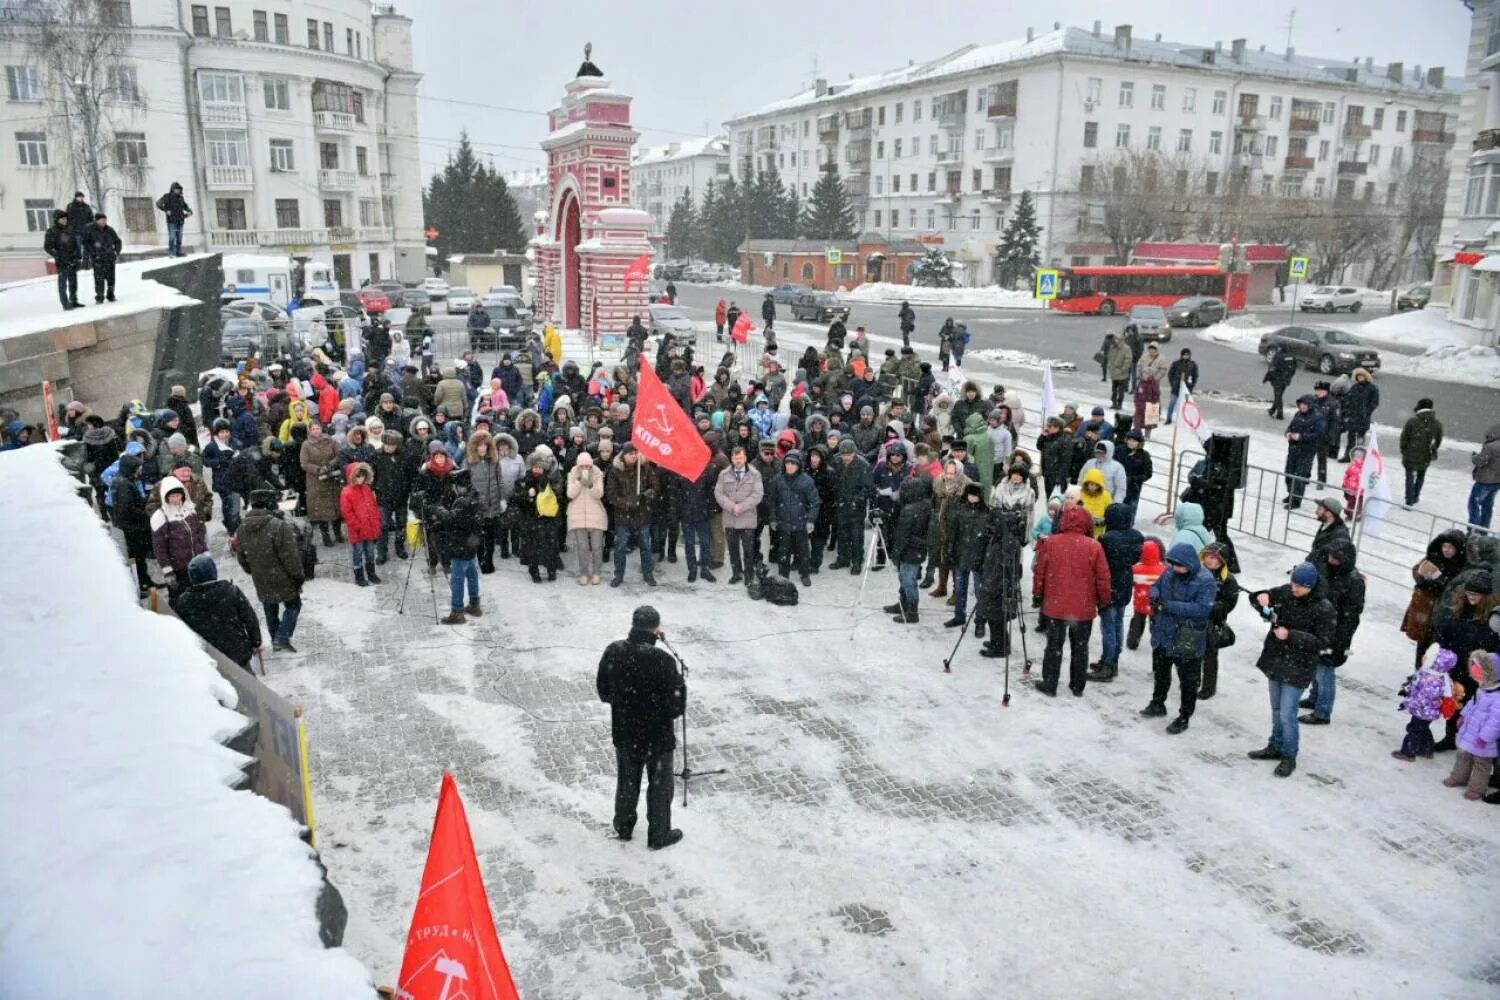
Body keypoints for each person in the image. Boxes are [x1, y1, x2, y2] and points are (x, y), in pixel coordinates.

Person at [597, 605, 685, 850]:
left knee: (627, 781)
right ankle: (659, 834)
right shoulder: (664, 661)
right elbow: (677, 707)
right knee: (660, 785)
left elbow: (604, 693)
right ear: (656, 630)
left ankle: (623, 826)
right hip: (657, 737)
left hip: (626, 732)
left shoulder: (614, 652)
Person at [1246, 563, 1335, 778]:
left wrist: (1291, 635)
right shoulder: (1286, 593)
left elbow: (1323, 642)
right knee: (1276, 709)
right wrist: (1262, 599)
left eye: (1300, 586)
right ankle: (1274, 745)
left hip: (1299, 666)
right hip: (1276, 660)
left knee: (1288, 713)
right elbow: (1257, 598)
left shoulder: (1324, 608)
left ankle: (1289, 755)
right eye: (1293, 583)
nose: (1294, 589)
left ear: (1311, 586)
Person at [1032, 505, 1112, 697]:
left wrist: (1038, 594)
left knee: (1053, 646)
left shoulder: (1051, 543)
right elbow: (1103, 578)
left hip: (1055, 604)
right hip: (1083, 607)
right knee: (1080, 647)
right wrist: (1104, 601)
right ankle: (1077, 685)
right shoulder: (1094, 546)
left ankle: (1050, 683)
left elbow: (1040, 572)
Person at [1140, 542, 1217, 734]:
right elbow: (1156, 586)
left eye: (1179, 565)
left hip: (1187, 636)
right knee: (1161, 671)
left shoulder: (1205, 580)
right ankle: (1158, 703)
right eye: (1173, 564)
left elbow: (1202, 609)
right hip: (1164, 633)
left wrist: (1168, 606)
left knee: (1188, 681)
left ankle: (1184, 716)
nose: (1175, 568)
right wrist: (1155, 594)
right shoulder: (1169, 572)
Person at [1299, 539, 1365, 727]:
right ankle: (1314, 698)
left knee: (1325, 671)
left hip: (1334, 635)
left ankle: (1322, 711)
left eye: (1335, 558)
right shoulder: (1328, 572)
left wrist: (1338, 639)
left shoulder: (1353, 581)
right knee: (1316, 666)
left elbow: (1351, 615)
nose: (1331, 560)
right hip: (1321, 628)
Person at [236, 489, 305, 652]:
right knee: (294, 605)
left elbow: (241, 557)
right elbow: (291, 557)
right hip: (283, 576)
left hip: (260, 577)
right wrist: (298, 576)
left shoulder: (241, 528)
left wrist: (253, 570)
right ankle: (282, 637)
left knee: (270, 609)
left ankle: (275, 639)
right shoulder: (279, 526)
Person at [170, 554, 262, 672]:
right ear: (213, 571)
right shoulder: (230, 591)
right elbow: (249, 618)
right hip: (237, 653)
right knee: (248, 687)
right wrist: (256, 641)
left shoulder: (183, 602)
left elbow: (180, 630)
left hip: (207, 659)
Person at [1090, 504, 1142, 683]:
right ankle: (1112, 660)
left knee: (1108, 627)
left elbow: (1100, 564)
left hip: (1110, 584)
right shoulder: (1136, 537)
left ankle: (1108, 664)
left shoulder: (1106, 539)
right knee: (1118, 623)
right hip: (1125, 583)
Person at [1401, 530, 1468, 668]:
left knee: (1437, 647)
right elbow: (1417, 571)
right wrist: (1423, 580)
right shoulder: (1433, 557)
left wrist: (1441, 582)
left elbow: (1457, 588)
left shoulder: (1461, 567)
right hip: (1425, 610)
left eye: (1451, 547)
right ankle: (1419, 672)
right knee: (1422, 644)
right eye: (1445, 546)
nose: (1447, 550)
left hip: (1441, 613)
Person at [1444, 651, 1500, 800]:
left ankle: (1477, 788)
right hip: (1470, 731)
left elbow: (1496, 722)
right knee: (1463, 756)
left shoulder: (1497, 698)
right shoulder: (1481, 689)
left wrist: (1484, 737)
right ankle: (1459, 777)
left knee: (1481, 764)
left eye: (1479, 672)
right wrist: (1463, 716)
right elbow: (1471, 705)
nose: (1475, 675)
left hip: (1484, 740)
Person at [429, 467, 482, 622]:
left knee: (457, 578)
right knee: (472, 573)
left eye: (454, 487)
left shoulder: (462, 502)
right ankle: (474, 604)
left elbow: (453, 519)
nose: (453, 490)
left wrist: (437, 510)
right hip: (471, 544)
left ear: (459, 485)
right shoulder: (475, 496)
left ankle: (457, 612)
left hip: (461, 545)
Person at [607, 444, 658, 587]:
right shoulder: (616, 470)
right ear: (624, 454)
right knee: (620, 547)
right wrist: (627, 503)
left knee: (645, 547)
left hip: (643, 515)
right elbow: (611, 495)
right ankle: (619, 575)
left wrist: (647, 495)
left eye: (636, 453)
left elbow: (655, 487)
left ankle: (648, 573)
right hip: (623, 516)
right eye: (631, 453)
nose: (634, 456)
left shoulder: (645, 468)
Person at [1392, 646, 1454, 762]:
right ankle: (1426, 749)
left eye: (1427, 657)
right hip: (1424, 711)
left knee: (1414, 730)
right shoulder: (1429, 673)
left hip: (1424, 711)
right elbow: (1416, 683)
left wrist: (1407, 703)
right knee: (1422, 729)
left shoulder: (1435, 680)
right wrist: (1407, 689)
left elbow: (1422, 699)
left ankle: (1408, 753)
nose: (1423, 657)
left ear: (1435, 663)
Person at [885, 476, 932, 624]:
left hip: (910, 550)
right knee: (906, 579)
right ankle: (903, 604)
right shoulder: (926, 505)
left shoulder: (909, 509)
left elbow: (902, 535)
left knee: (908, 580)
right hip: (918, 549)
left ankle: (912, 612)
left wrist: (895, 554)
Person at [1196, 542, 1239, 701]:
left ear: (1222, 561)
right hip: (1194, 620)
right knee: (1192, 652)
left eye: (1214, 558)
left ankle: (1208, 687)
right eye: (1208, 556)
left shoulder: (1228, 580)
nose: (1210, 560)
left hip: (1213, 623)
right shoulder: (1197, 573)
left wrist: (1209, 608)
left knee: (1210, 656)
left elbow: (1229, 603)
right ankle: (1193, 680)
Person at [715, 445, 764, 585]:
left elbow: (757, 495)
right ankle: (736, 573)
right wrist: (731, 506)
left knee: (748, 550)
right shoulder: (724, 474)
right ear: (731, 458)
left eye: (740, 458)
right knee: (733, 549)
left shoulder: (755, 474)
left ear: (745, 458)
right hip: (730, 519)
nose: (738, 461)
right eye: (735, 458)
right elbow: (718, 493)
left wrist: (741, 507)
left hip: (747, 519)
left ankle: (749, 575)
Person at [150, 478, 208, 596]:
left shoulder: (191, 510)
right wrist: (168, 571)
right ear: (165, 497)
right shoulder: (160, 516)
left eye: (178, 495)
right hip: (179, 568)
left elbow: (200, 533)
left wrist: (205, 552)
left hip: (197, 562)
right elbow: (160, 547)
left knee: (201, 594)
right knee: (181, 597)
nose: (176, 499)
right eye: (172, 496)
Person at [770, 450, 819, 586]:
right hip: (783, 522)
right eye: (788, 463)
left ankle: (804, 574)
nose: (790, 466)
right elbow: (772, 501)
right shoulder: (777, 480)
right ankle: (783, 574)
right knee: (783, 551)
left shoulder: (807, 481)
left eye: (793, 463)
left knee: (803, 551)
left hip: (800, 522)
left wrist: (810, 520)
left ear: (799, 465)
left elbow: (815, 502)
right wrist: (773, 518)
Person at [944, 482, 989, 629]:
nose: (972, 498)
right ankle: (959, 615)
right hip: (961, 554)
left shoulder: (987, 514)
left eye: (975, 495)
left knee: (979, 590)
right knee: (960, 588)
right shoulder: (960, 511)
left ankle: (980, 621)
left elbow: (989, 538)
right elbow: (953, 534)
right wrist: (950, 551)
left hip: (979, 557)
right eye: (970, 494)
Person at [300, 419, 344, 545]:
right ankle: (326, 536)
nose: (316, 431)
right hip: (316, 480)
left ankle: (338, 533)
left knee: (336, 507)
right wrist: (318, 469)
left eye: (318, 428)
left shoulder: (331, 440)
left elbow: (338, 455)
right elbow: (304, 463)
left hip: (332, 478)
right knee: (321, 511)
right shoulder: (306, 445)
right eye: (313, 429)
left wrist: (330, 465)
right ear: (310, 430)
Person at [566, 451, 608, 584]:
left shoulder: (597, 473)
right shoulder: (573, 473)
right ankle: (584, 573)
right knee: (582, 547)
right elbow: (570, 494)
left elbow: (599, 494)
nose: (586, 468)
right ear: (578, 466)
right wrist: (579, 481)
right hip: (578, 514)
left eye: (588, 466)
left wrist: (590, 485)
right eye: (583, 466)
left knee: (597, 547)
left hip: (595, 513)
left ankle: (597, 573)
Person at [339, 462, 382, 586]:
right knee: (357, 553)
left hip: (370, 528)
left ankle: (371, 573)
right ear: (351, 476)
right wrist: (358, 526)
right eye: (357, 475)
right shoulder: (346, 492)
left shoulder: (367, 488)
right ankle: (359, 576)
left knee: (370, 552)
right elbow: (347, 513)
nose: (360, 478)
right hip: (357, 531)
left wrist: (377, 520)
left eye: (362, 475)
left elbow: (374, 506)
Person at [1281, 396, 1324, 510]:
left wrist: (1301, 437)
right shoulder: (1298, 414)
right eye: (1301, 404)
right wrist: (1288, 433)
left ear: (1310, 406)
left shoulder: (1318, 418)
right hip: (1293, 449)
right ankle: (1291, 494)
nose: (1303, 406)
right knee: (1289, 472)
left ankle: (1296, 500)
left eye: (1305, 405)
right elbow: (1290, 427)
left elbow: (1319, 435)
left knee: (1299, 476)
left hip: (1306, 451)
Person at [1398, 398, 1442, 507]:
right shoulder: (1437, 424)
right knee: (1421, 476)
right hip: (1426, 454)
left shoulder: (1412, 421)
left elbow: (1404, 437)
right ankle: (1415, 496)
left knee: (1409, 476)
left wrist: (1404, 450)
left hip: (1411, 453)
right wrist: (1433, 449)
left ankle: (1409, 499)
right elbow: (1438, 440)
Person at [43, 210, 82, 310]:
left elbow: (75, 244)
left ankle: (73, 300)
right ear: (57, 219)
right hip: (62, 262)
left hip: (72, 259)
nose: (65, 220)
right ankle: (65, 303)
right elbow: (47, 247)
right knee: (62, 284)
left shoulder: (69, 229)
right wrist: (57, 255)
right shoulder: (51, 231)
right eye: (62, 218)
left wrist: (78, 257)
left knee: (73, 282)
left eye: (66, 218)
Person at [80, 213, 123, 303]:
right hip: (98, 259)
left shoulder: (110, 230)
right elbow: (85, 243)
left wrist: (116, 251)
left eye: (105, 219)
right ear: (96, 220)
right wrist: (94, 253)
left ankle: (110, 295)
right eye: (101, 219)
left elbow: (117, 241)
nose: (103, 221)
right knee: (99, 278)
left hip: (110, 257)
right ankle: (100, 297)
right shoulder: (91, 230)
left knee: (111, 278)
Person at [1338, 367, 1379, 461]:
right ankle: (1348, 456)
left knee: (1360, 438)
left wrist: (1366, 411)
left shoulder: (1372, 388)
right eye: (1358, 376)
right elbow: (1348, 399)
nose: (1360, 378)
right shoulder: (1354, 387)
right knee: (1351, 438)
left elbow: (1374, 402)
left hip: (1363, 418)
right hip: (1353, 417)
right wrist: (1347, 410)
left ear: (1366, 377)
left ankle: (1359, 458)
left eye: (1362, 376)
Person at [1469, 423, 1500, 532]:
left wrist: (1474, 456)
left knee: (1474, 505)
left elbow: (1480, 461)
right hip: (1496, 482)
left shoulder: (1490, 446)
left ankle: (1473, 529)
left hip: (1484, 481)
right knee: (1487, 507)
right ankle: (1483, 530)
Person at [156, 182, 193, 256]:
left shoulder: (181, 198)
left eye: (179, 189)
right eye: (176, 189)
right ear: (172, 189)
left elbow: (186, 207)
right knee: (172, 237)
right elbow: (158, 203)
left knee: (179, 238)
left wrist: (190, 212)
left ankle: (178, 252)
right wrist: (166, 210)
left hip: (180, 221)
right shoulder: (167, 196)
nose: (178, 190)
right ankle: (171, 253)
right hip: (171, 221)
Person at [1263, 345, 1297, 420]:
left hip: (1277, 379)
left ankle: (1280, 414)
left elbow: (1272, 368)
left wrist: (1266, 378)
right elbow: (1294, 369)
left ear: (1281, 348)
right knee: (1279, 395)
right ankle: (1272, 410)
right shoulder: (1292, 357)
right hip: (1286, 380)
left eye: (1279, 347)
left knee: (1278, 396)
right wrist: (1289, 376)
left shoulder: (1278, 356)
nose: (1278, 349)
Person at [1165, 348, 1198, 424]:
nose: (1186, 356)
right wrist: (1173, 383)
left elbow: (1195, 376)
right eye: (1184, 354)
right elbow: (1170, 374)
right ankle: (1168, 418)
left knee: (1186, 405)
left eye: (1187, 355)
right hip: (1176, 388)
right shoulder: (1176, 363)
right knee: (1172, 404)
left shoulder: (1193, 365)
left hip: (1186, 390)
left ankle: (1185, 420)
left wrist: (1191, 386)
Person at [1105, 334, 1132, 410]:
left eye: (1116, 340)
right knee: (1114, 390)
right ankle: (1114, 403)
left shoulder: (1126, 348)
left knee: (1121, 391)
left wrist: (1123, 369)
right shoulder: (1112, 347)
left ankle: (1119, 403)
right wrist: (1110, 367)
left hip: (1122, 374)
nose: (1115, 342)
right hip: (1114, 373)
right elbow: (1109, 357)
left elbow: (1128, 360)